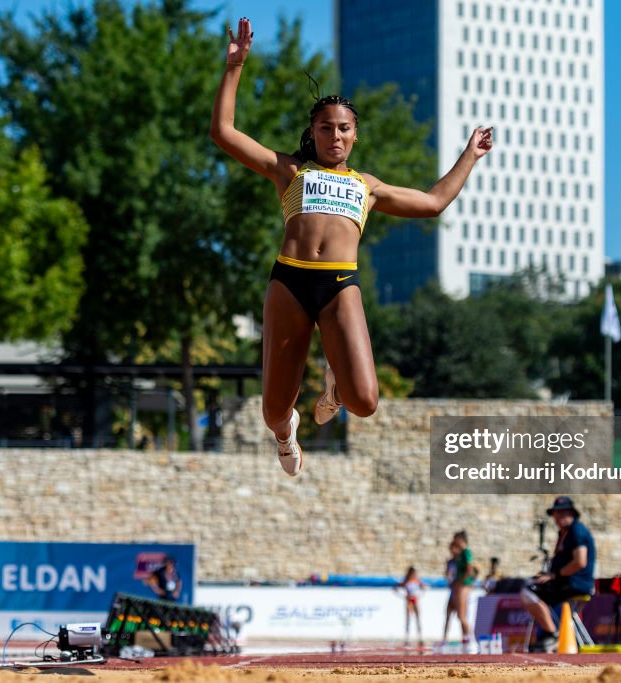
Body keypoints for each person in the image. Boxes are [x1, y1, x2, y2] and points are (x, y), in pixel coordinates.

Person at [210, 18, 493, 476]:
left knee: (365, 402)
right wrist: (235, 66)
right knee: (272, 411)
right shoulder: (291, 171)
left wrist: (470, 156)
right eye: (326, 128)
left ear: (355, 134)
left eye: (343, 128)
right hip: (290, 280)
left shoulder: (368, 186)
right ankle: (287, 434)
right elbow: (223, 133)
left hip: (340, 283)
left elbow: (434, 202)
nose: (335, 136)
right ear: (314, 132)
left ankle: (334, 388)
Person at [520, 496, 596, 653]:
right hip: (565, 582)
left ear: (572, 513)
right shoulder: (565, 533)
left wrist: (554, 575)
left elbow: (580, 562)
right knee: (530, 584)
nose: (559, 516)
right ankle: (550, 635)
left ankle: (551, 634)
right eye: (556, 513)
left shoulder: (577, 531)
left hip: (575, 584)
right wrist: (549, 575)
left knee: (528, 591)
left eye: (563, 513)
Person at [442, 531, 476, 653]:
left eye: (456, 539)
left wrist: (460, 581)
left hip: (463, 585)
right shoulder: (460, 555)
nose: (454, 542)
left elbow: (470, 569)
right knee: (459, 616)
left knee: (462, 615)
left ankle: (471, 641)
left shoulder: (466, 552)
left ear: (461, 540)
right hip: (459, 585)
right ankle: (466, 640)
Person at [394, 566, 428, 648]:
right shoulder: (406, 581)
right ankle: (407, 639)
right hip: (409, 601)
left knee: (418, 619)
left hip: (415, 600)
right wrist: (403, 596)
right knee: (408, 620)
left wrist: (420, 594)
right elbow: (395, 588)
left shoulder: (417, 580)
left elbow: (424, 587)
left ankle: (420, 638)